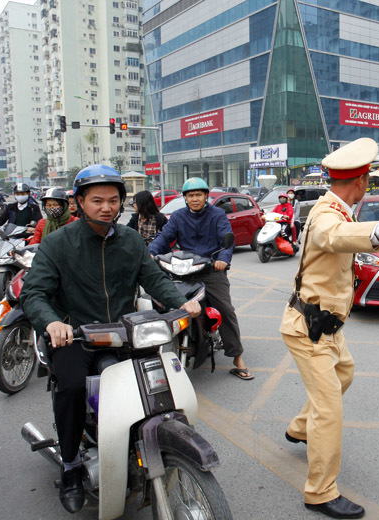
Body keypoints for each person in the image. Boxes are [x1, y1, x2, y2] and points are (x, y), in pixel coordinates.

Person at [20, 164, 201, 513]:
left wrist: (183, 303)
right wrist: (54, 322)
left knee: (155, 381)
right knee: (72, 387)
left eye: (113, 200)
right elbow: (34, 293)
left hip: (124, 333)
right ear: (79, 202)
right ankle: (71, 463)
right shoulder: (58, 243)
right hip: (76, 337)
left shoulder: (131, 240)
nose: (107, 207)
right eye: (97, 200)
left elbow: (154, 279)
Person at [281, 138, 379, 519]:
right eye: (368, 179)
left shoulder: (340, 209)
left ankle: (299, 427)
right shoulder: (327, 213)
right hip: (309, 327)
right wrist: (377, 232)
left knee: (345, 373)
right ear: (361, 181)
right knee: (331, 408)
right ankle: (320, 492)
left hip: (326, 326)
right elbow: (332, 236)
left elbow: (341, 242)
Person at [148, 178, 254, 381]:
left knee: (225, 308)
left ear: (206, 196)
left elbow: (227, 238)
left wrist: (222, 259)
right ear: (185, 198)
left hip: (210, 268)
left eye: (198, 195)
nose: (194, 199)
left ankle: (237, 356)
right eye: (190, 195)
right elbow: (164, 237)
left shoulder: (217, 215)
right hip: (183, 268)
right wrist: (151, 252)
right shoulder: (178, 217)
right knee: (163, 302)